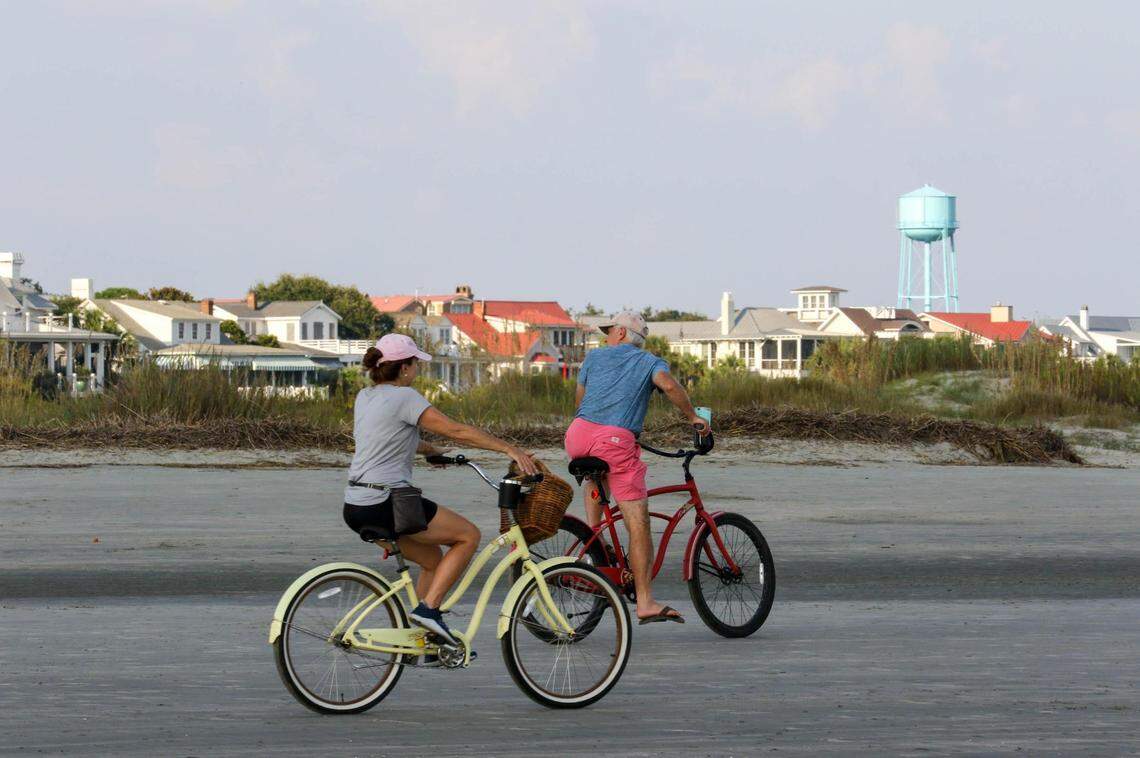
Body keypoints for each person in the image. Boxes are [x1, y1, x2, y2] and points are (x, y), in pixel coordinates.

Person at [344, 333, 539, 647]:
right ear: (404, 368)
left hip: (356, 504)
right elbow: (457, 429)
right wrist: (509, 449)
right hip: (387, 501)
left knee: (433, 560)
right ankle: (430, 611)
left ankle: (421, 638)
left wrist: (429, 450)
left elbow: (386, 439)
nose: (417, 370)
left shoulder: (366, 397)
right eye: (415, 364)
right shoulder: (405, 398)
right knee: (468, 536)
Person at [565, 311, 709, 624]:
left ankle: (595, 542)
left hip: (577, 436)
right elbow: (669, 387)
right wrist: (694, 418)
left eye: (608, 331)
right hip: (614, 440)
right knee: (638, 522)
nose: (606, 336)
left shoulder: (595, 358)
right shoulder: (648, 361)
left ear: (619, 332)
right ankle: (645, 600)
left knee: (596, 477)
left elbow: (581, 400)